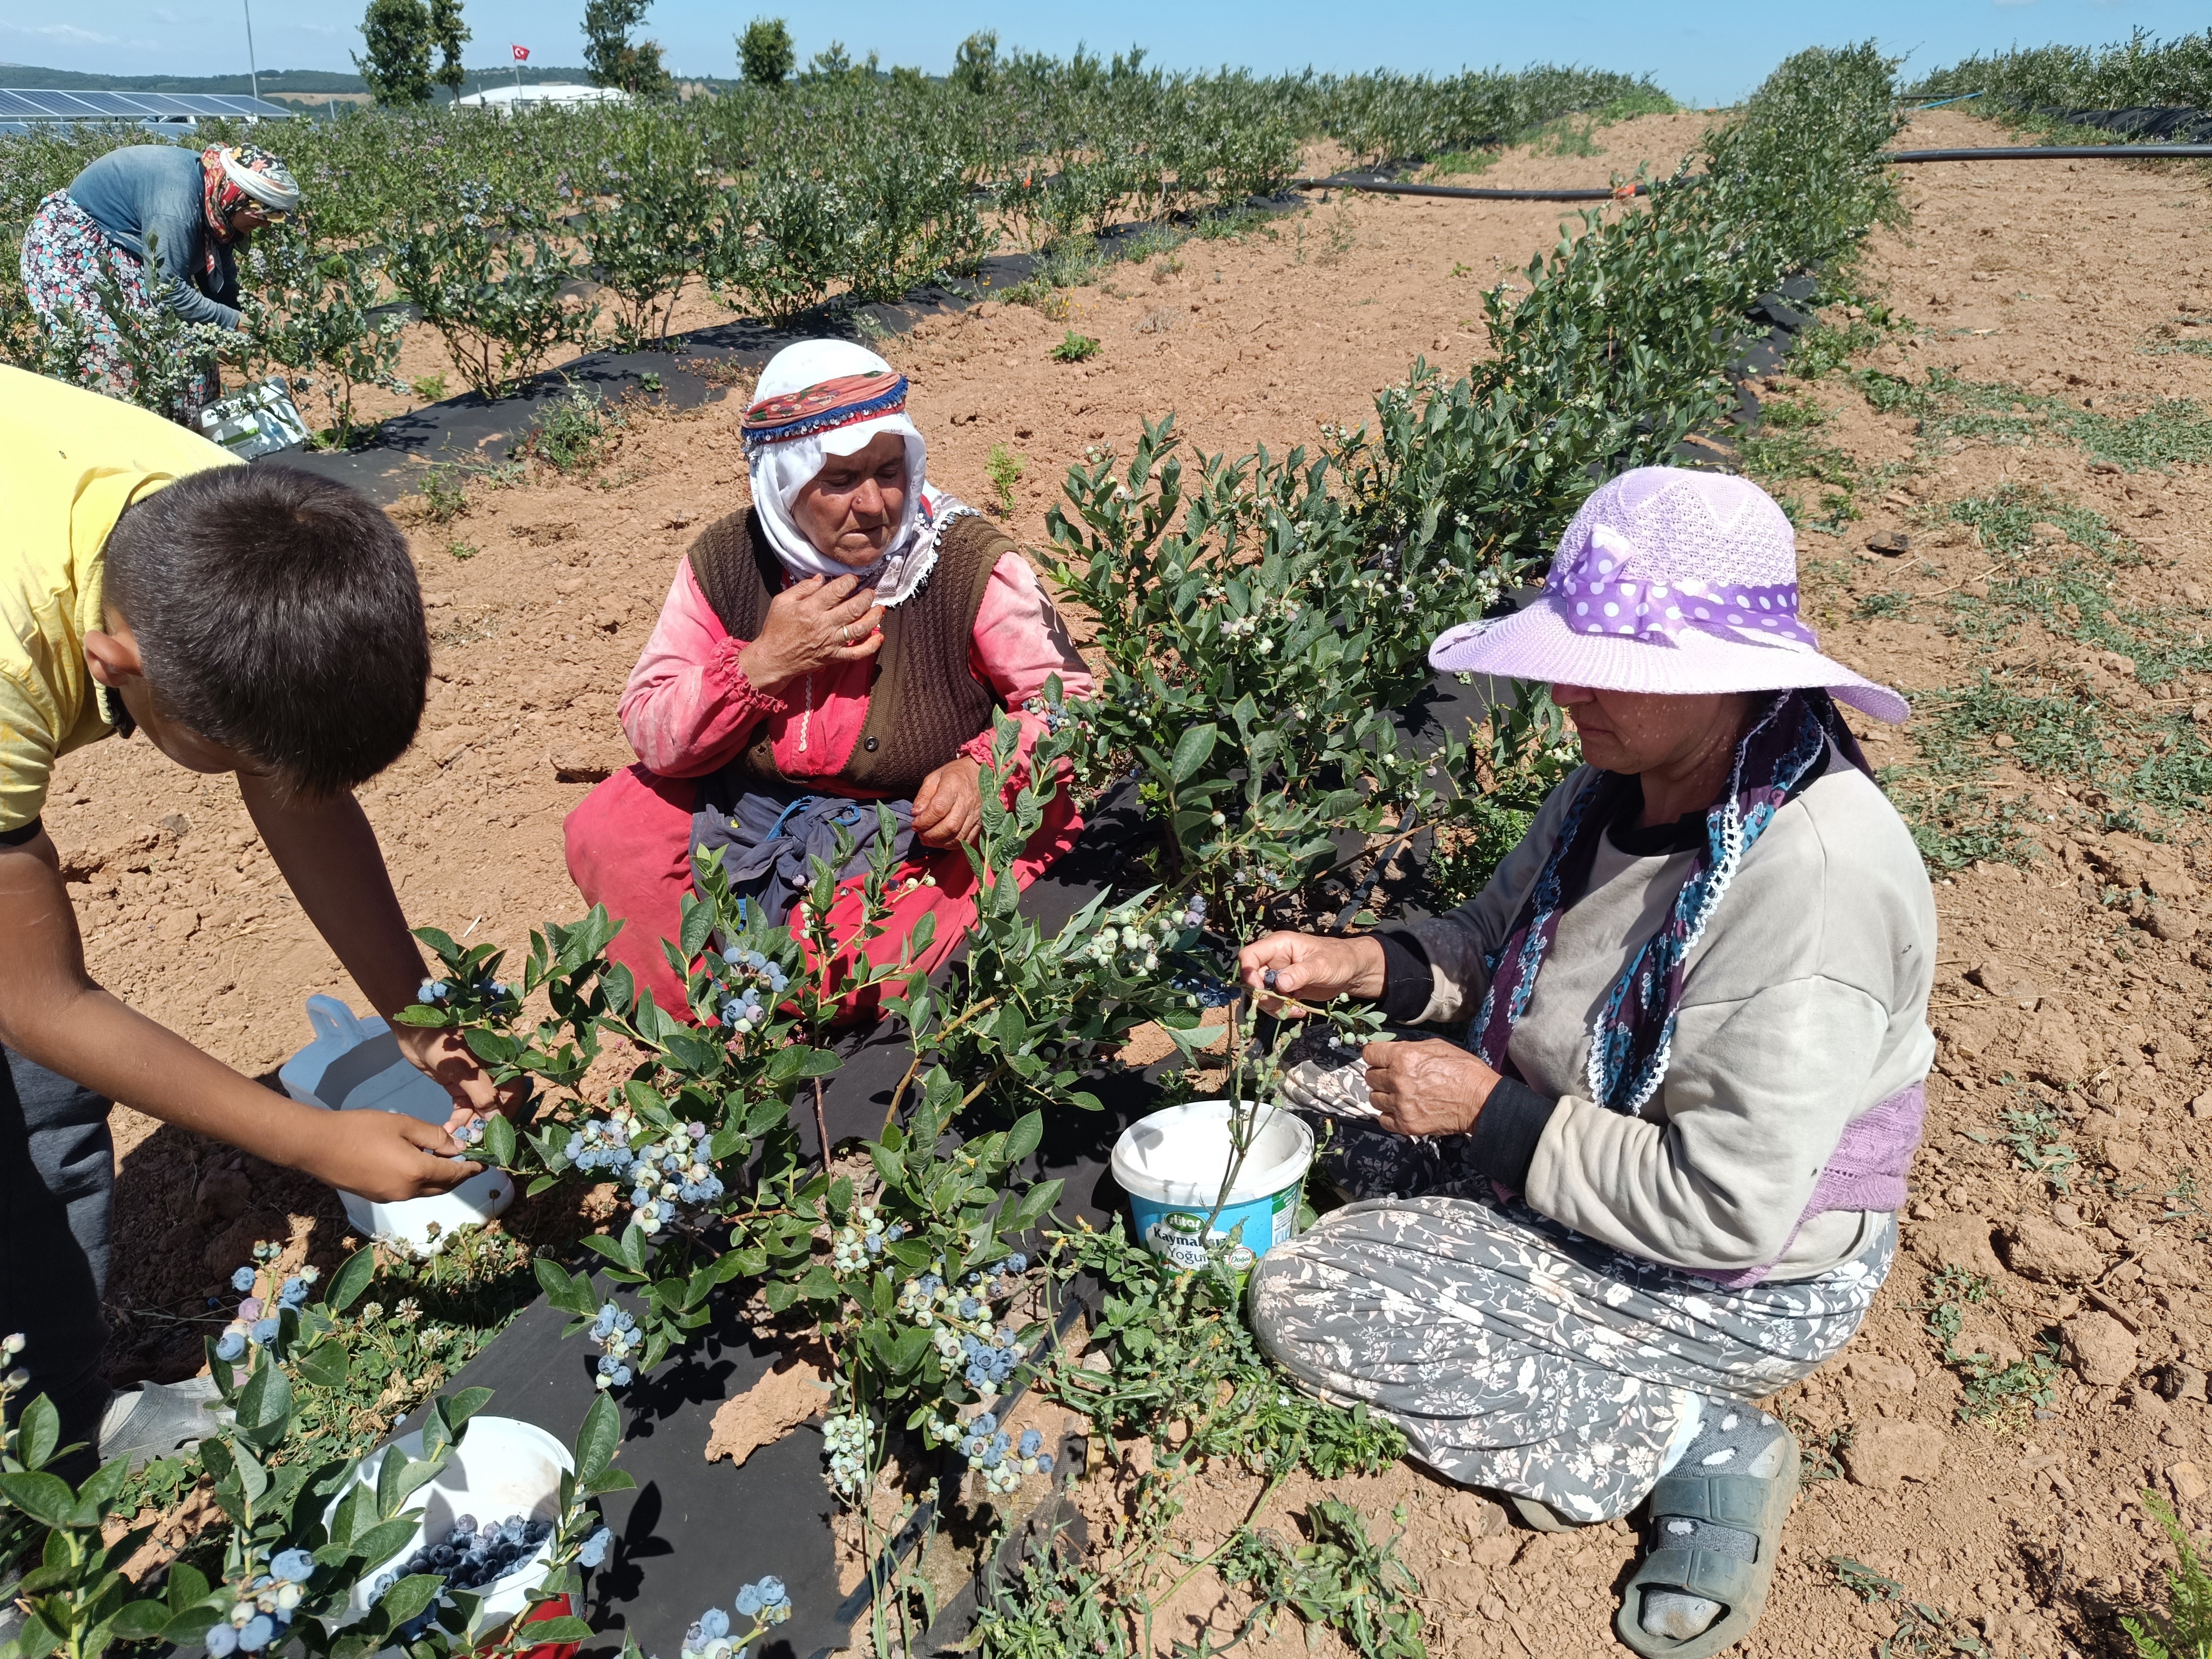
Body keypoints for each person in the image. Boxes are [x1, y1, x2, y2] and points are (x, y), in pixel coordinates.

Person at [1237, 467, 1935, 1659]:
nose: (1566, 688)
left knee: (1317, 1296)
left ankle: (1690, 1443)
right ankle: (1484, 1223)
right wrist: (1355, 966)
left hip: (1742, 1274)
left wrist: (1486, 1115)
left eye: (1607, 666)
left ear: (1716, 679)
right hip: (1589, 1130)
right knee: (1310, 1079)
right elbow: (1490, 941)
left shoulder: (1809, 881)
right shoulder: (1625, 773)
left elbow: (1725, 1206)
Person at [0, 365, 503, 1477]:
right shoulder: (9, 657)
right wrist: (311, 1140)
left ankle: (69, 1423)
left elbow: (296, 789)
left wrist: (420, 1020)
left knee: (45, 1116)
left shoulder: (229, 524)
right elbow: (35, 997)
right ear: (113, 664)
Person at [565, 340, 1093, 1015]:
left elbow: (1068, 705)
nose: (874, 504)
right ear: (784, 484)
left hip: (908, 829)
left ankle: (786, 1029)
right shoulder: (731, 559)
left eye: (889, 471)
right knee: (614, 831)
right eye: (840, 480)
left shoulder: (962, 563)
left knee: (853, 965)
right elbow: (653, 729)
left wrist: (981, 772)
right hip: (752, 806)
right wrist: (764, 662)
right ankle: (701, 1040)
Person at [19, 141, 299, 421]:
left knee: (191, 357)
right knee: (121, 353)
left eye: (276, 216)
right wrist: (234, 323)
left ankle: (187, 435)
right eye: (266, 213)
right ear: (238, 197)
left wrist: (241, 321)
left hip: (129, 246)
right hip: (74, 247)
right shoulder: (176, 208)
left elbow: (221, 281)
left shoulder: (217, 201)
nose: (267, 224)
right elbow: (167, 293)